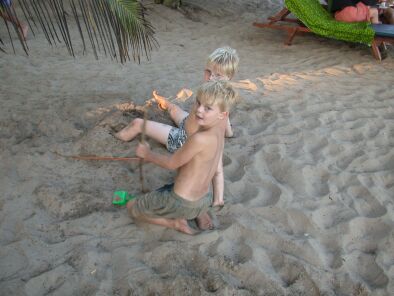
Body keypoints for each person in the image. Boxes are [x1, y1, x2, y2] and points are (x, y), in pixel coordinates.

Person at [115, 46, 239, 208]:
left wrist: (218, 200)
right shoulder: (218, 100)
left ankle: (116, 139)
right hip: (188, 121)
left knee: (138, 123)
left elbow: (217, 169)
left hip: (182, 139)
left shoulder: (216, 109)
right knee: (173, 108)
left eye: (217, 75)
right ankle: (164, 103)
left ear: (229, 78)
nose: (210, 78)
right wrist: (229, 134)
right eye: (208, 72)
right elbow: (226, 125)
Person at [126, 80, 238, 235]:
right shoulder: (219, 131)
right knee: (187, 173)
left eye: (207, 108)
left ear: (222, 114)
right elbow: (214, 169)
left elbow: (171, 163)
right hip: (205, 200)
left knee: (132, 207)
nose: (199, 110)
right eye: (198, 103)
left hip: (183, 203)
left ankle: (175, 223)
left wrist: (147, 154)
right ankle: (199, 214)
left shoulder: (199, 139)